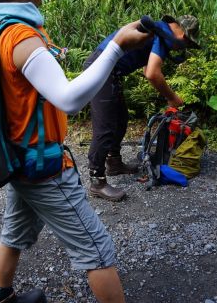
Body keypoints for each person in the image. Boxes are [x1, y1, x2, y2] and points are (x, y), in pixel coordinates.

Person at [0, 0, 151, 303]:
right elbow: (71, 99)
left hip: (18, 158)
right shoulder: (23, 39)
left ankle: (4, 302)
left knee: (14, 234)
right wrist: (117, 45)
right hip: (42, 167)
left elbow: (49, 91)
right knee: (96, 248)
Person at [84, 15, 200, 201]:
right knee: (105, 127)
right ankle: (97, 182)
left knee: (121, 120)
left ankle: (114, 163)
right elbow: (153, 74)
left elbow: (147, 69)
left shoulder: (158, 33)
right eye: (187, 45)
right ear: (184, 37)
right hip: (100, 69)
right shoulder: (162, 35)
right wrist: (172, 97)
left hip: (110, 72)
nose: (183, 49)